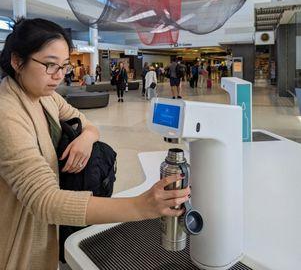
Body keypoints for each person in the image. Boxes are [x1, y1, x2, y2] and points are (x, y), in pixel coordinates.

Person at [0, 18, 190, 270]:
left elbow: (88, 124)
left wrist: (86, 139)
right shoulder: (7, 112)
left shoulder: (46, 98)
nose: (58, 76)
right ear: (17, 61)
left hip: (51, 234)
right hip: (18, 241)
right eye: (49, 65)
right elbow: (44, 200)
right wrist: (140, 206)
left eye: (64, 66)